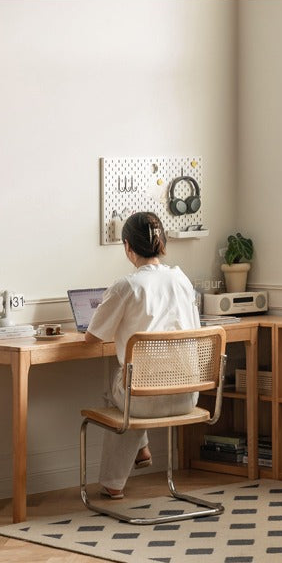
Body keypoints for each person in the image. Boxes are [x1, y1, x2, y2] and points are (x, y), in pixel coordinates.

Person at [85, 211, 200, 499]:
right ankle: (141, 450)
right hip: (188, 397)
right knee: (132, 383)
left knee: (118, 387)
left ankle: (115, 481)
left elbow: (92, 337)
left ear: (127, 246)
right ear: (162, 243)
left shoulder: (127, 286)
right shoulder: (181, 279)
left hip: (143, 402)